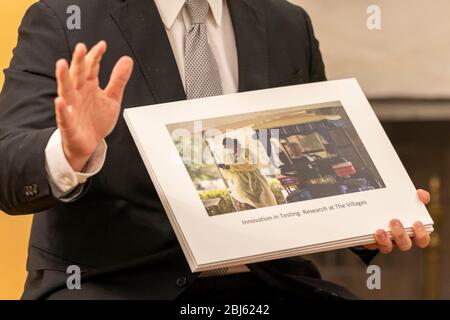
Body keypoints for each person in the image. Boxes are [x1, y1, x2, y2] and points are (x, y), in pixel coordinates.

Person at [0, 0, 430, 300]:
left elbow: (312, 164)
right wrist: (71, 151)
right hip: (117, 286)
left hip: (268, 287)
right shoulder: (62, 17)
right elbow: (8, 169)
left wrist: (376, 217)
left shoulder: (287, 23)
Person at [218, 138, 277, 209]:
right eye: (226, 147)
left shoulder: (246, 151)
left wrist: (230, 166)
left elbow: (252, 165)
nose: (227, 148)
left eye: (228, 146)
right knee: (248, 197)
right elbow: (228, 171)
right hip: (241, 180)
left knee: (263, 196)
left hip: (254, 178)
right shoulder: (229, 155)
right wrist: (224, 167)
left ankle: (271, 211)